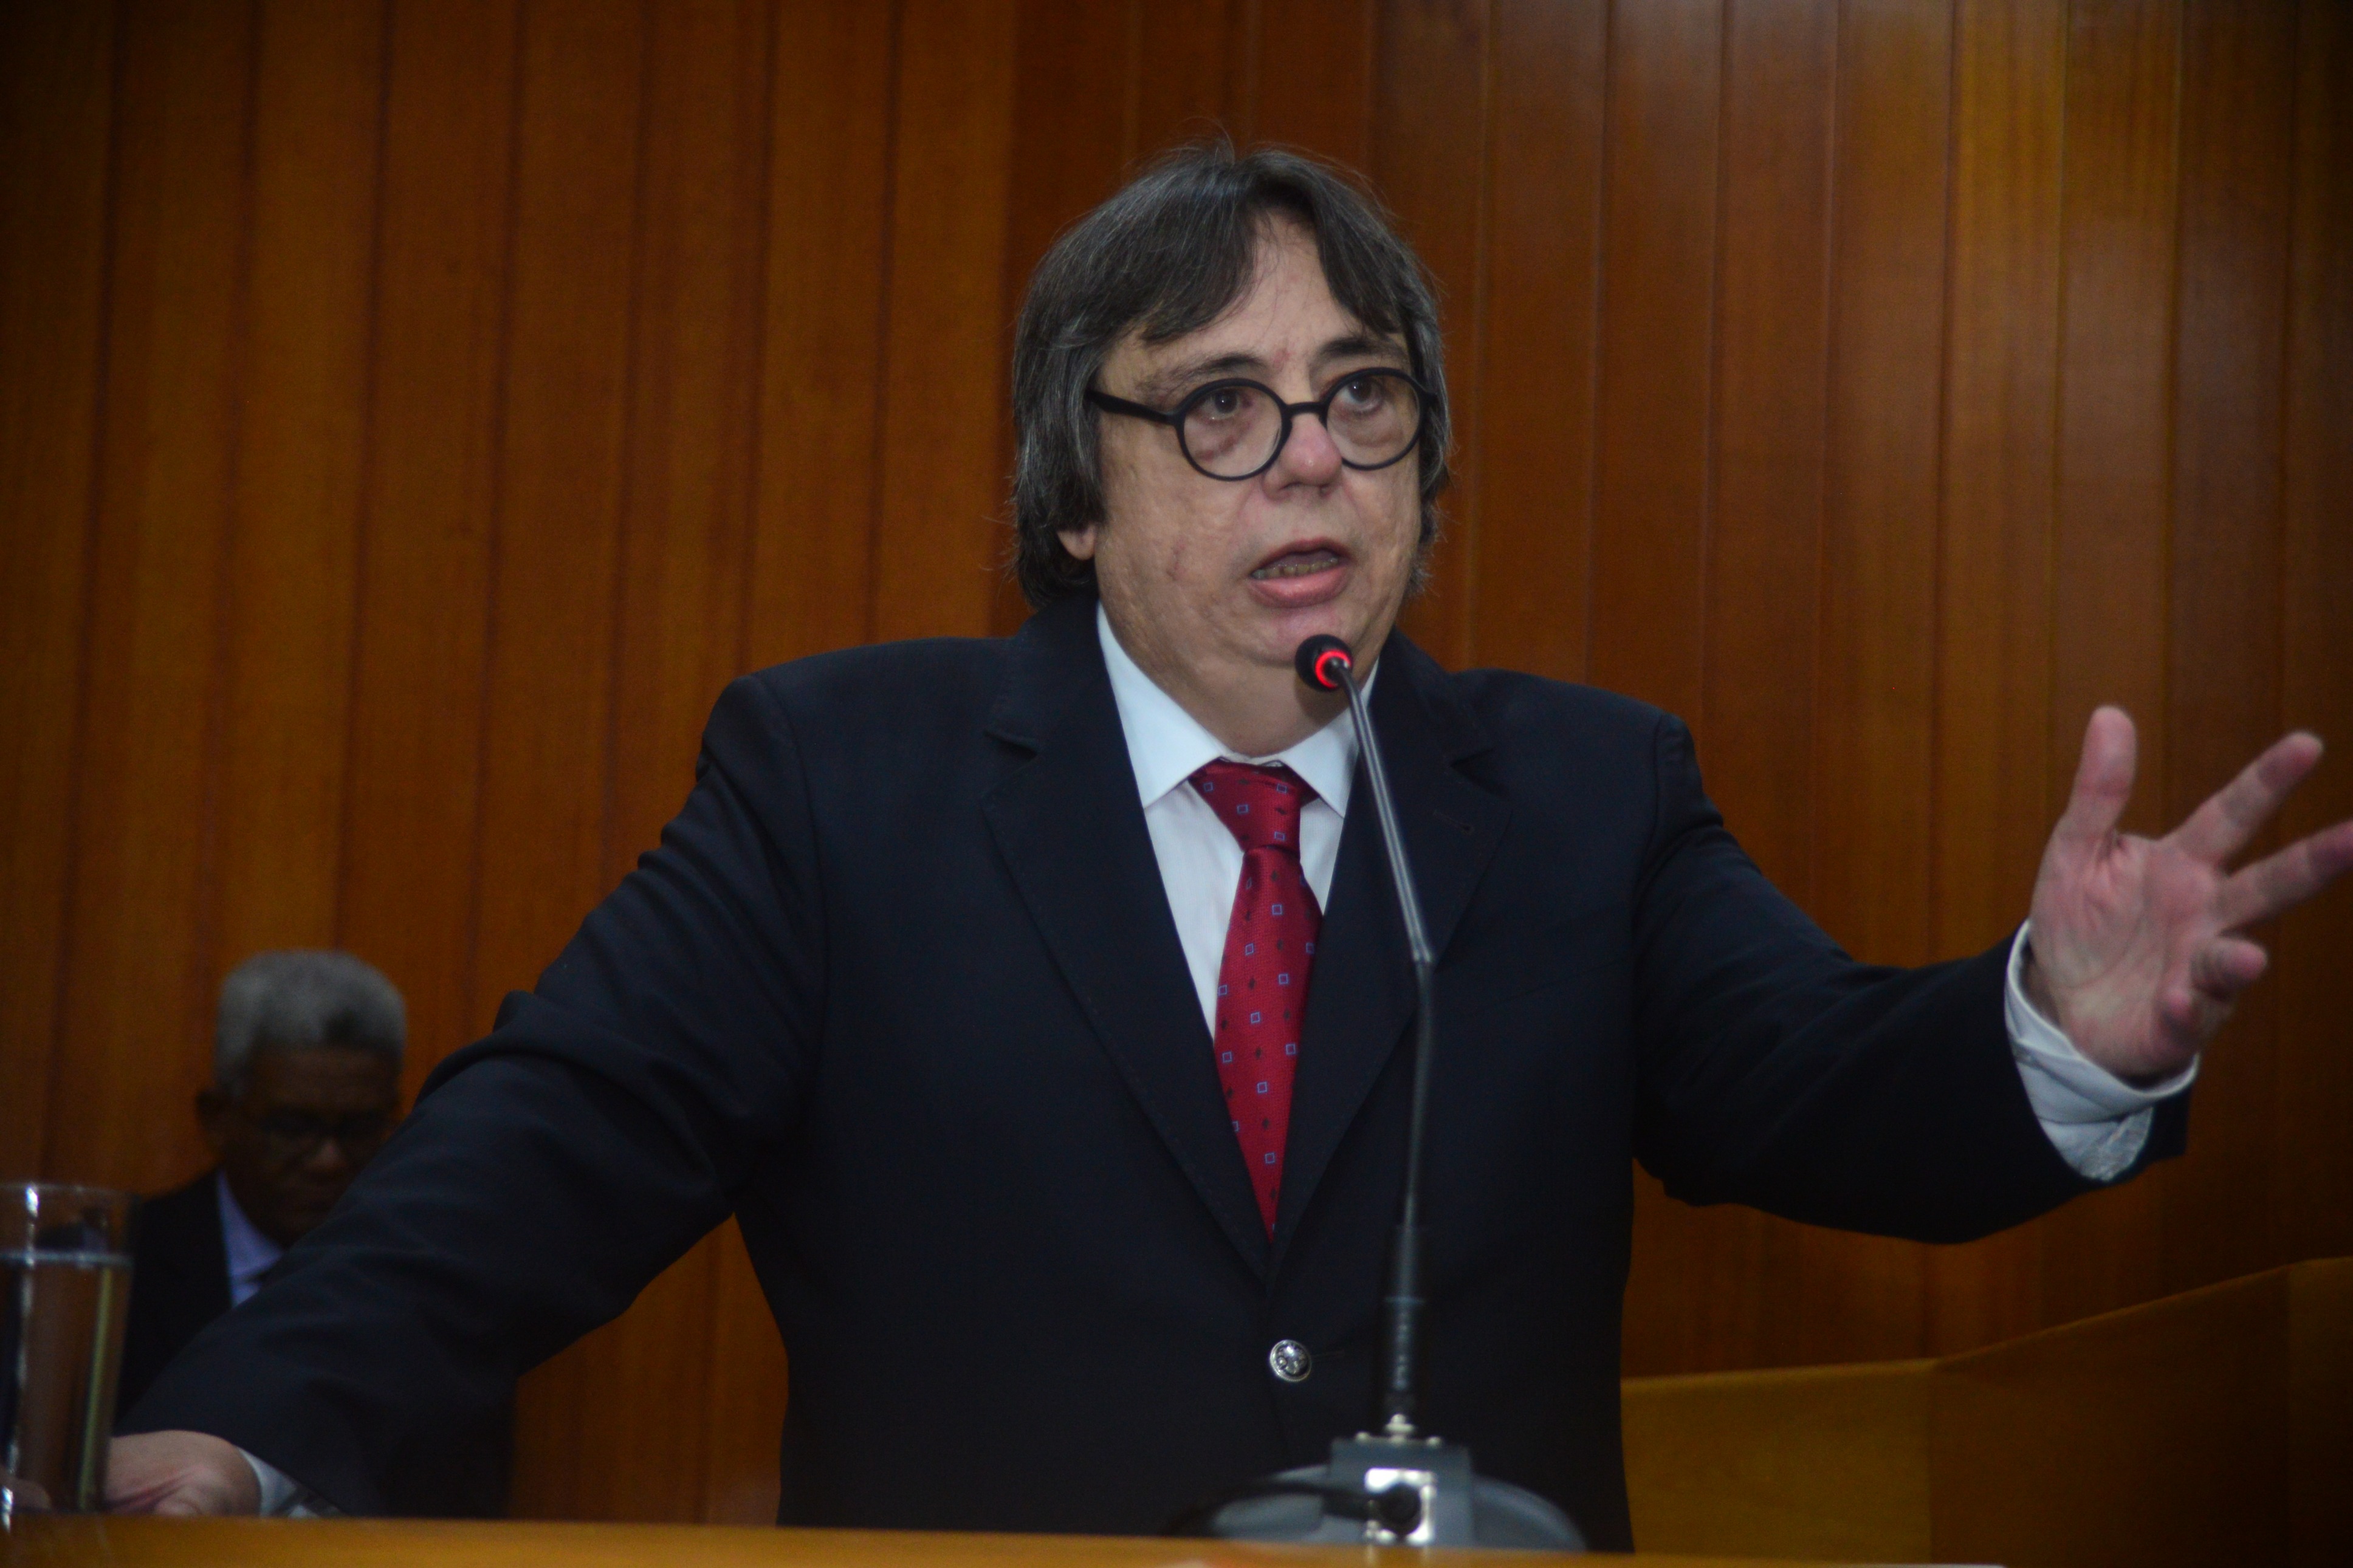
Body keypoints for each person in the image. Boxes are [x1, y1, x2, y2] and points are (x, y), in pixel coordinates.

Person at [109, 146, 2353, 1542]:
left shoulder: (1584, 795)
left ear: (1426, 468)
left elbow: (1823, 1081)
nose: (1310, 458)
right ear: (1071, 499)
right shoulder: (841, 783)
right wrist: (229, 1429)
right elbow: (548, 1146)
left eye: (1362, 396)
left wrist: (2058, 1024)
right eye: (1219, 404)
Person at [114, 951, 509, 1518]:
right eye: (294, 1126)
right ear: (217, 1117)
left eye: (359, 1127)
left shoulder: (445, 1283)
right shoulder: (114, 1267)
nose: (329, 1160)